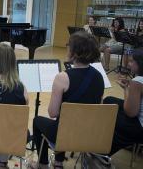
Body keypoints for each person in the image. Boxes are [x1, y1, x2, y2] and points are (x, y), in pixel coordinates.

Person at [31, 31, 104, 169]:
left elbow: (52, 112)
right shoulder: (99, 76)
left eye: (69, 46)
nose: (67, 48)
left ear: (75, 52)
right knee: (64, 121)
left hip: (65, 134)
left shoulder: (63, 77)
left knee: (39, 121)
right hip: (89, 134)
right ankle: (58, 162)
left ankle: (43, 163)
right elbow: (97, 108)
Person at [103, 48, 143, 159]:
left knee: (111, 117)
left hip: (139, 128)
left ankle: (103, 152)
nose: (129, 65)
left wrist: (126, 89)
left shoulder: (137, 81)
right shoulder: (137, 81)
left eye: (131, 62)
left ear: (140, 64)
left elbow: (130, 113)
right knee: (109, 101)